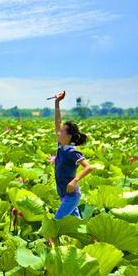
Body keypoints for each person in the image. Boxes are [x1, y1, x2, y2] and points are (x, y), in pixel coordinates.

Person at [53, 90, 94, 220]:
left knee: (56, 223)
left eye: (61, 131)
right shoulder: (61, 146)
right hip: (63, 194)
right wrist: (57, 102)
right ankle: (89, 240)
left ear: (69, 136)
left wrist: (74, 181)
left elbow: (89, 167)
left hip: (71, 195)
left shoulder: (72, 151)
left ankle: (50, 240)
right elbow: (57, 121)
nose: (58, 132)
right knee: (77, 225)